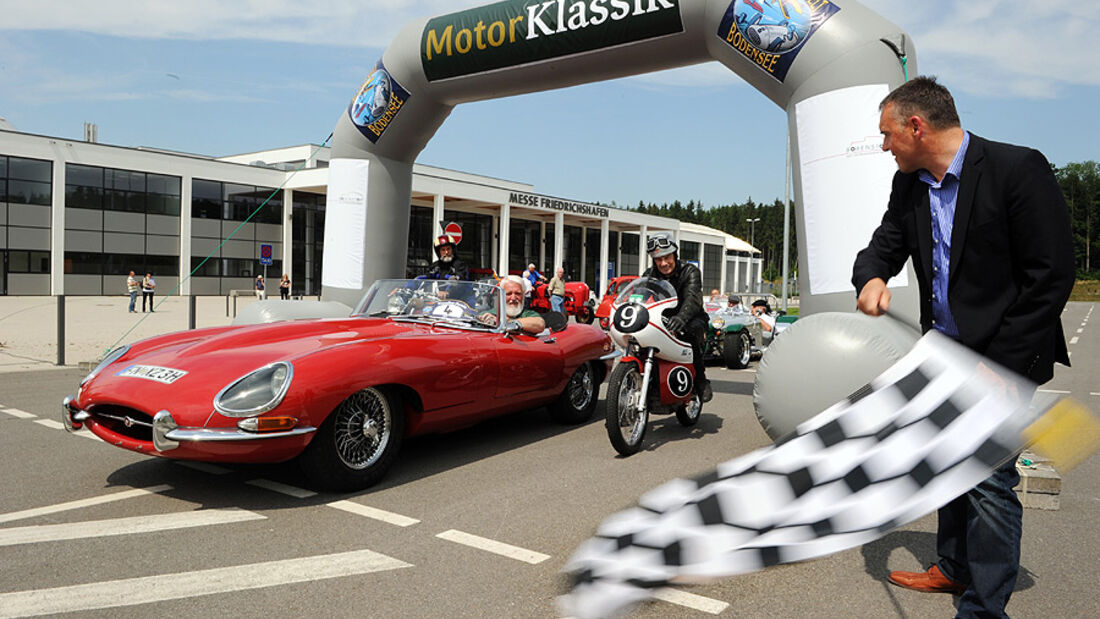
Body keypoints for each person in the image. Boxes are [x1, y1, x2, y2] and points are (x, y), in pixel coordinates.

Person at [852, 76, 1074, 618]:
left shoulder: (1017, 169)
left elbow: (1051, 275)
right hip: (945, 351)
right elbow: (884, 243)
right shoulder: (910, 185)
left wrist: (1003, 366)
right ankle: (953, 568)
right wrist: (871, 277)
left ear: (916, 126)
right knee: (947, 459)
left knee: (988, 478)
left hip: (1006, 354)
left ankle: (983, 609)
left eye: (887, 135)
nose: (884, 147)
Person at [642, 231, 712, 402]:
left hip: (690, 316)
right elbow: (641, 297)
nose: (664, 263)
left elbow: (693, 298)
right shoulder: (649, 275)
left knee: (689, 333)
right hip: (660, 319)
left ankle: (700, 381)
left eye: (667, 257)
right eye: (659, 259)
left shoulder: (690, 271)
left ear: (674, 254)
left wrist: (681, 317)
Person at [479, 275, 545, 334]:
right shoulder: (492, 312)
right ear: (500, 295)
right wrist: (488, 320)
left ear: (523, 295)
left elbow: (540, 324)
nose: (513, 298)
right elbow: (480, 318)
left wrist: (506, 322)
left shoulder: (528, 314)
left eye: (518, 293)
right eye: (509, 294)